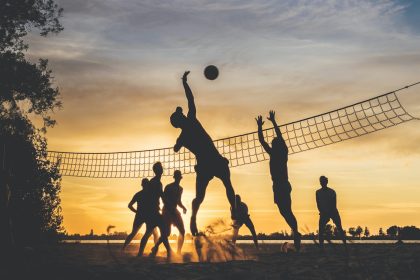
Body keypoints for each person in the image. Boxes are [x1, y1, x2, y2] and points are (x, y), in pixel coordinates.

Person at [170, 71, 236, 236]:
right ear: (180, 119)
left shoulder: (182, 136)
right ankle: (233, 209)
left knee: (201, 197)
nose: (183, 113)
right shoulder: (191, 119)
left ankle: (194, 218)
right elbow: (190, 99)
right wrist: (185, 82)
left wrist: (178, 143)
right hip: (213, 160)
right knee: (226, 185)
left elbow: (175, 149)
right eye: (180, 114)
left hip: (205, 165)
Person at [256, 110, 301, 251]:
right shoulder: (281, 153)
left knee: (286, 210)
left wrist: (260, 126)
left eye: (273, 143)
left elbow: (263, 141)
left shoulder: (277, 154)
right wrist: (272, 122)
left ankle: (296, 233)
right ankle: (296, 232)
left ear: (275, 146)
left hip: (280, 185)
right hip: (281, 185)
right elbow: (271, 139)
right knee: (285, 211)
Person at [138, 162, 173, 258]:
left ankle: (141, 254)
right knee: (157, 233)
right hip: (154, 213)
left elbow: (160, 196)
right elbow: (161, 196)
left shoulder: (155, 182)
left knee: (155, 233)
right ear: (158, 170)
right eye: (160, 168)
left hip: (154, 212)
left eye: (161, 168)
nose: (162, 169)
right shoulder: (156, 182)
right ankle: (169, 252)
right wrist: (169, 206)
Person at [122, 178, 159, 250]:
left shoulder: (139, 194)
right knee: (155, 232)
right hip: (148, 215)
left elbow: (130, 205)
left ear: (142, 185)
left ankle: (123, 249)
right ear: (148, 185)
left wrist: (136, 212)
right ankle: (156, 249)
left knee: (134, 233)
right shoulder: (151, 194)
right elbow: (130, 205)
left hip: (140, 215)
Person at [157, 170, 187, 255]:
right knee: (167, 233)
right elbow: (164, 199)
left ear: (180, 177)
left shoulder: (181, 189)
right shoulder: (168, 187)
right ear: (175, 177)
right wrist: (170, 208)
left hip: (174, 210)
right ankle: (156, 246)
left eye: (179, 176)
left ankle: (178, 252)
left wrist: (183, 207)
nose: (178, 178)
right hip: (167, 210)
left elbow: (178, 201)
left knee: (182, 231)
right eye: (177, 176)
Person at [316, 175, 346, 249]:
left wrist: (329, 212)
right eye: (321, 182)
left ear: (326, 182)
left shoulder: (332, 191)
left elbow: (334, 204)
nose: (322, 183)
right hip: (324, 212)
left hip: (333, 211)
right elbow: (318, 204)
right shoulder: (318, 192)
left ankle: (344, 243)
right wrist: (322, 212)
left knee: (339, 227)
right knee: (321, 229)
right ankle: (321, 246)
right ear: (320, 182)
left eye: (324, 181)